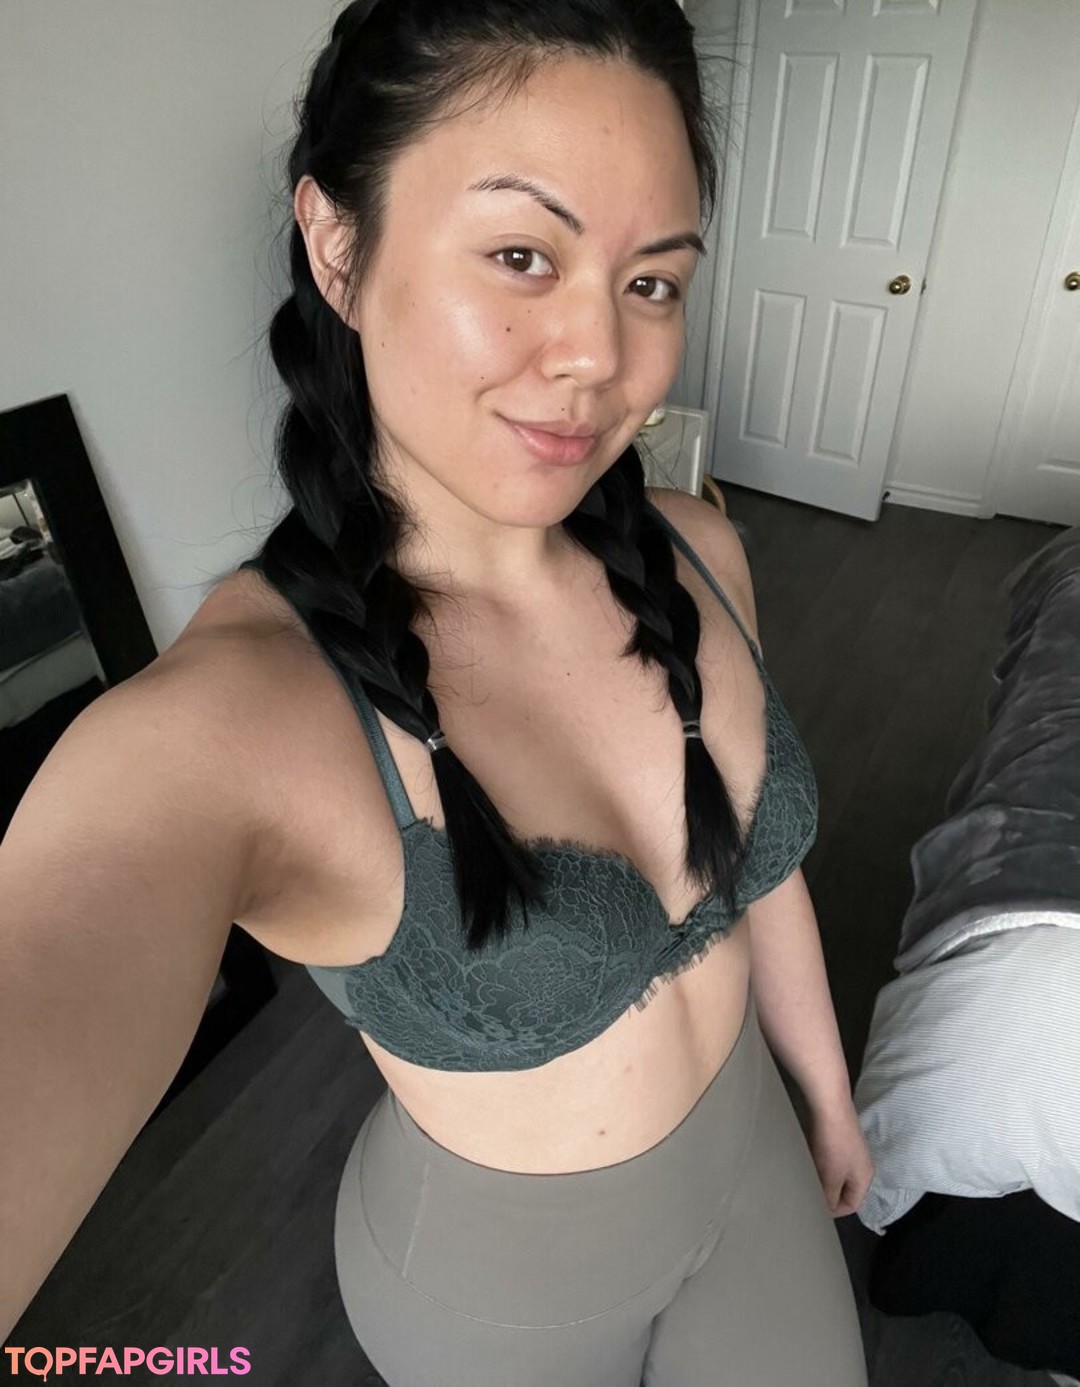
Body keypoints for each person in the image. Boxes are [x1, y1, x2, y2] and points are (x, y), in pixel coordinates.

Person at [0, 0, 874, 1381]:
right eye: (524, 256)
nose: (600, 356)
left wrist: (826, 1090)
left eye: (652, 282)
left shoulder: (701, 556)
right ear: (339, 249)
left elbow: (759, 873)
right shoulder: (229, 728)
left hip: (756, 1159)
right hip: (498, 1300)